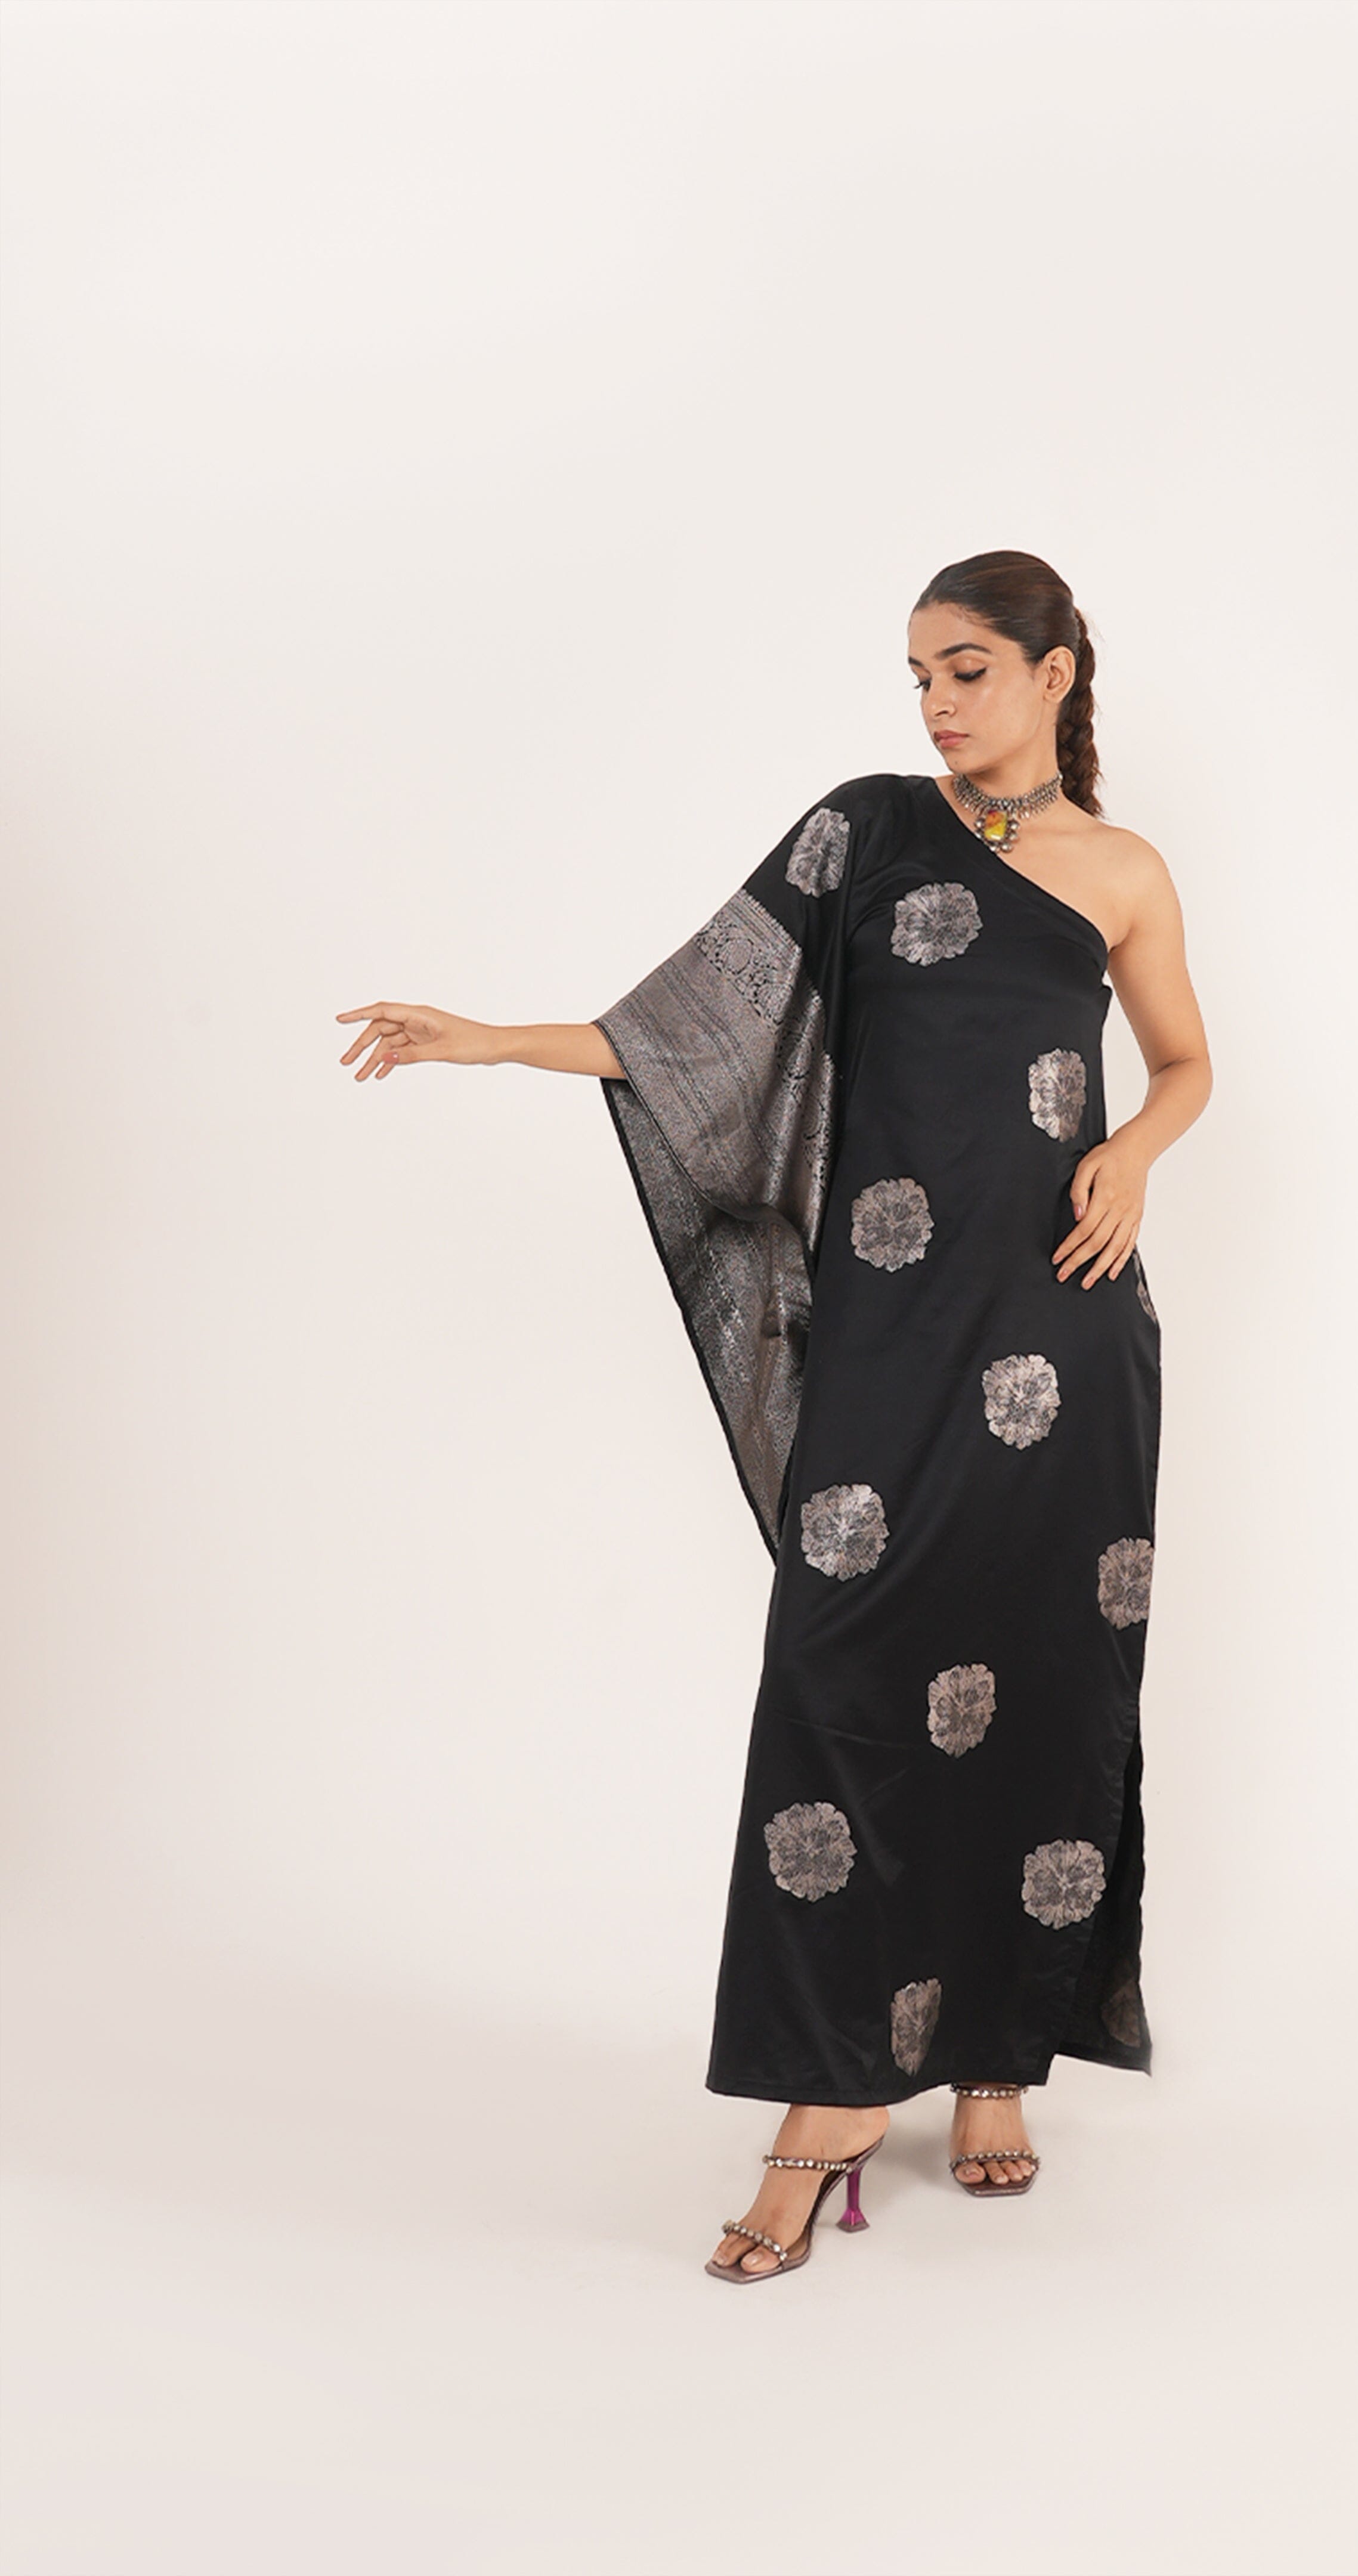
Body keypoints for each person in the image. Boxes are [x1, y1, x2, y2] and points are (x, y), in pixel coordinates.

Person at [336, 549, 1212, 2281]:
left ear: (1054, 674)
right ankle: (831, 2100)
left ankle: (994, 2057)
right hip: (892, 1333)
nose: (937, 703)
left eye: (967, 669)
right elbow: (693, 1034)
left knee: (1043, 1675)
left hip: (1067, 1327)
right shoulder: (864, 830)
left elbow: (1188, 1062)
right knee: (846, 1677)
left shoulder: (1125, 870)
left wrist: (1132, 1148)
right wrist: (491, 1040)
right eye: (919, 677)